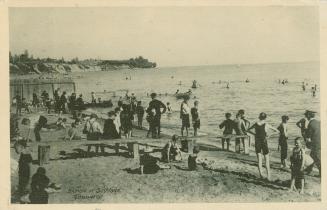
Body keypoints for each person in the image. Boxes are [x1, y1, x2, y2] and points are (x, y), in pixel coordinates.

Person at [247, 112, 279, 181]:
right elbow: (277, 131)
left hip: (257, 142)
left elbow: (248, 130)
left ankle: (261, 175)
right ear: (265, 118)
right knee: (266, 160)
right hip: (264, 142)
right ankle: (269, 176)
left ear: (259, 117)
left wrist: (254, 134)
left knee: (259, 159)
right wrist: (269, 135)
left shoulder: (256, 124)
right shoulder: (266, 124)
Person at [304, 110, 321, 177]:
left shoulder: (310, 124)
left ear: (308, 115)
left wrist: (306, 143)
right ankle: (309, 170)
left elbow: (308, 138)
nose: (305, 116)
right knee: (313, 155)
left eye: (306, 115)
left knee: (315, 157)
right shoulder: (318, 122)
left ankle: (321, 172)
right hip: (320, 142)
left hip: (315, 144)